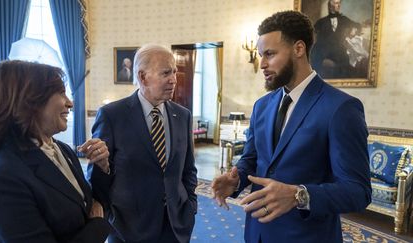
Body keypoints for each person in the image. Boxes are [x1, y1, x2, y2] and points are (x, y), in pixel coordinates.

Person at [212, 11, 371, 243]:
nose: (263, 64)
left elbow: (358, 191)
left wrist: (299, 195)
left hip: (307, 236)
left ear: (298, 49)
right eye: (260, 55)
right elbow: (253, 160)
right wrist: (237, 179)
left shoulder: (341, 108)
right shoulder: (262, 106)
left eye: (270, 54)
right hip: (258, 233)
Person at [0, 60, 111, 242]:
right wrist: (98, 225)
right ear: (30, 100)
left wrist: (101, 167)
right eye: (61, 93)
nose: (70, 103)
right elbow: (95, 216)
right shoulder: (2, 178)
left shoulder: (62, 149)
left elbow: (90, 204)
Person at [87, 44, 197, 243]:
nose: (174, 79)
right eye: (166, 73)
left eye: (174, 72)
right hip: (128, 228)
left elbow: (188, 169)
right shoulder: (112, 115)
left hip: (175, 225)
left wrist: (190, 207)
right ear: (142, 76)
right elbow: (99, 180)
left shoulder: (183, 115)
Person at [310, 0, 362, 78]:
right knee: (316, 63)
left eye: (339, 3)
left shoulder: (343, 19)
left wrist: (353, 30)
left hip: (339, 50)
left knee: (345, 64)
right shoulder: (322, 22)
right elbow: (312, 32)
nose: (339, 5)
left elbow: (357, 25)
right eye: (336, 3)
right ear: (330, 6)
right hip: (324, 50)